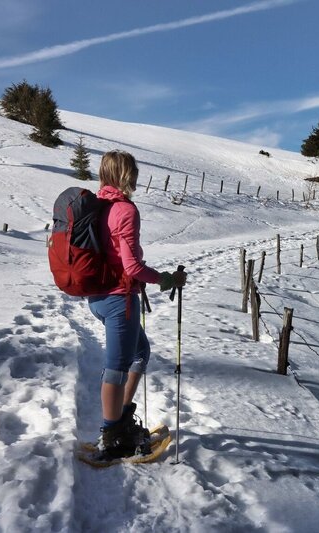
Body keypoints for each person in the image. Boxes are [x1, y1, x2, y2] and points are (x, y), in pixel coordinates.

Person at [87, 150, 186, 459]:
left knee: (140, 352)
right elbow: (132, 266)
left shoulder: (98, 207)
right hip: (119, 300)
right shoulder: (124, 210)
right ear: (128, 175)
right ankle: (112, 436)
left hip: (100, 298)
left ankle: (121, 418)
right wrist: (166, 280)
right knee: (116, 369)